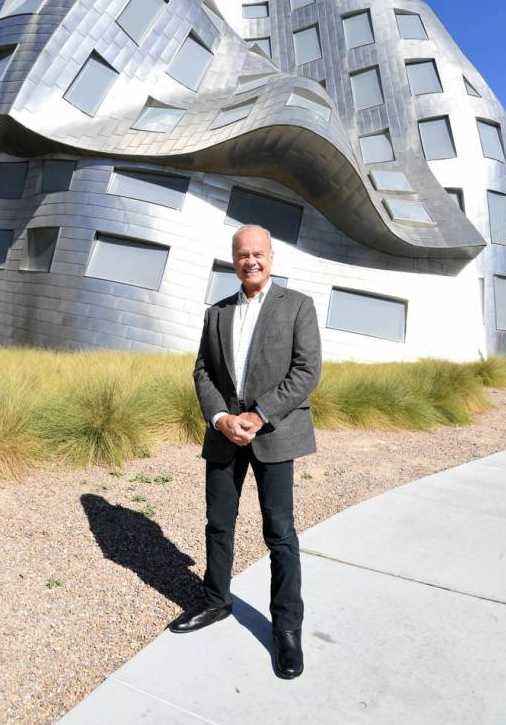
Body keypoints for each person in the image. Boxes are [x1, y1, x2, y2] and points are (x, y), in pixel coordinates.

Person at [169, 224, 322, 679]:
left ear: (271, 257)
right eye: (242, 254)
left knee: (279, 533)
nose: (250, 260)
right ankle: (216, 601)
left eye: (258, 253)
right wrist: (220, 418)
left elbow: (306, 370)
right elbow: (202, 372)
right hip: (223, 435)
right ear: (232, 260)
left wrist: (258, 416)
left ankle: (287, 629)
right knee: (219, 524)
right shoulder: (216, 314)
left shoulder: (298, 307)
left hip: (274, 434)